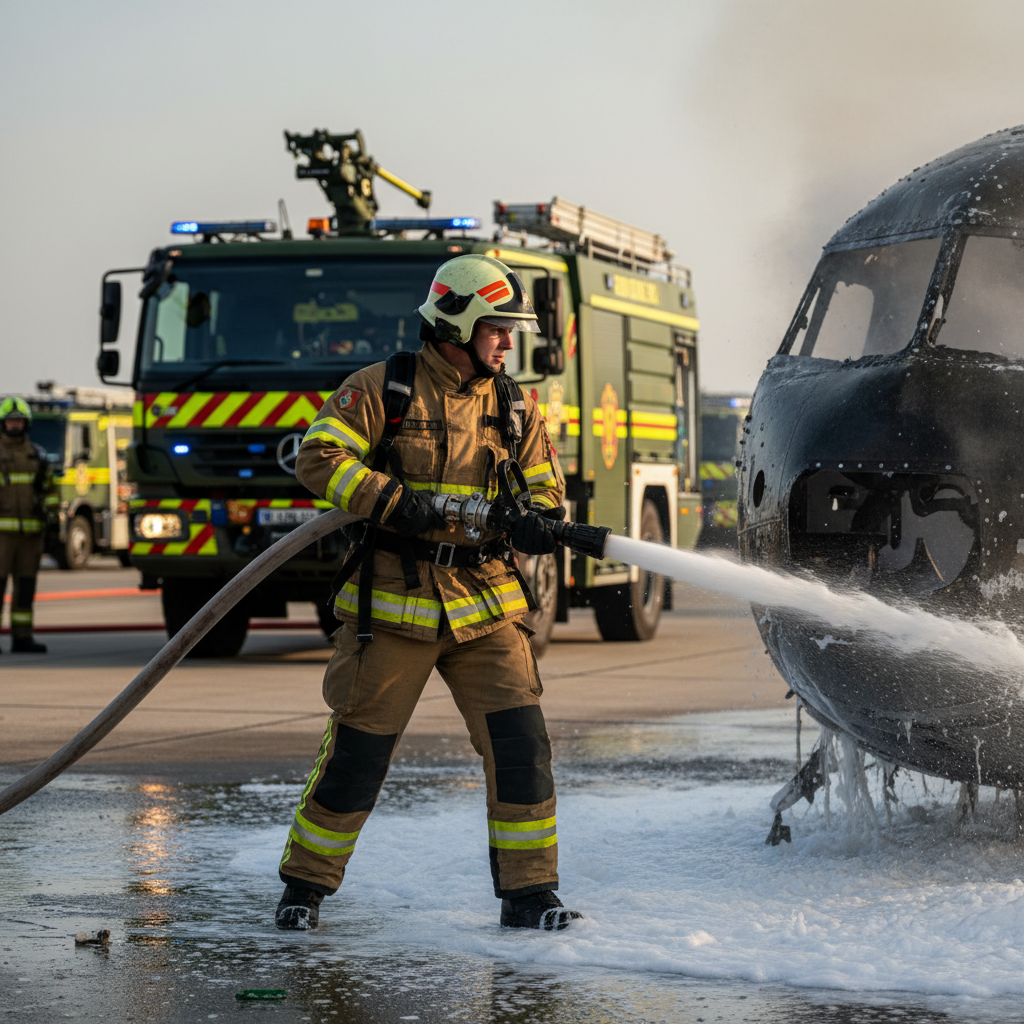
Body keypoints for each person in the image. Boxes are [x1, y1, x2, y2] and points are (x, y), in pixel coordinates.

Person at [275, 254, 582, 932]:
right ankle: (304, 887)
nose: (508, 342)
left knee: (522, 748)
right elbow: (319, 456)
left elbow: (545, 483)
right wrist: (390, 501)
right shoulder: (383, 388)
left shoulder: (514, 401)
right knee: (356, 758)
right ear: (459, 321)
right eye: (498, 328)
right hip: (392, 607)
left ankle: (530, 895)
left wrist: (539, 517)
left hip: (488, 606)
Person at [0, 397, 57, 653]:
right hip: (1, 537)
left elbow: (51, 492)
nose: (14, 425)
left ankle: (22, 638)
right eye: (10, 421)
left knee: (25, 589)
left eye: (18, 421)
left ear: (26, 423)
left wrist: (52, 517)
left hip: (31, 536)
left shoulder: (38, 456)